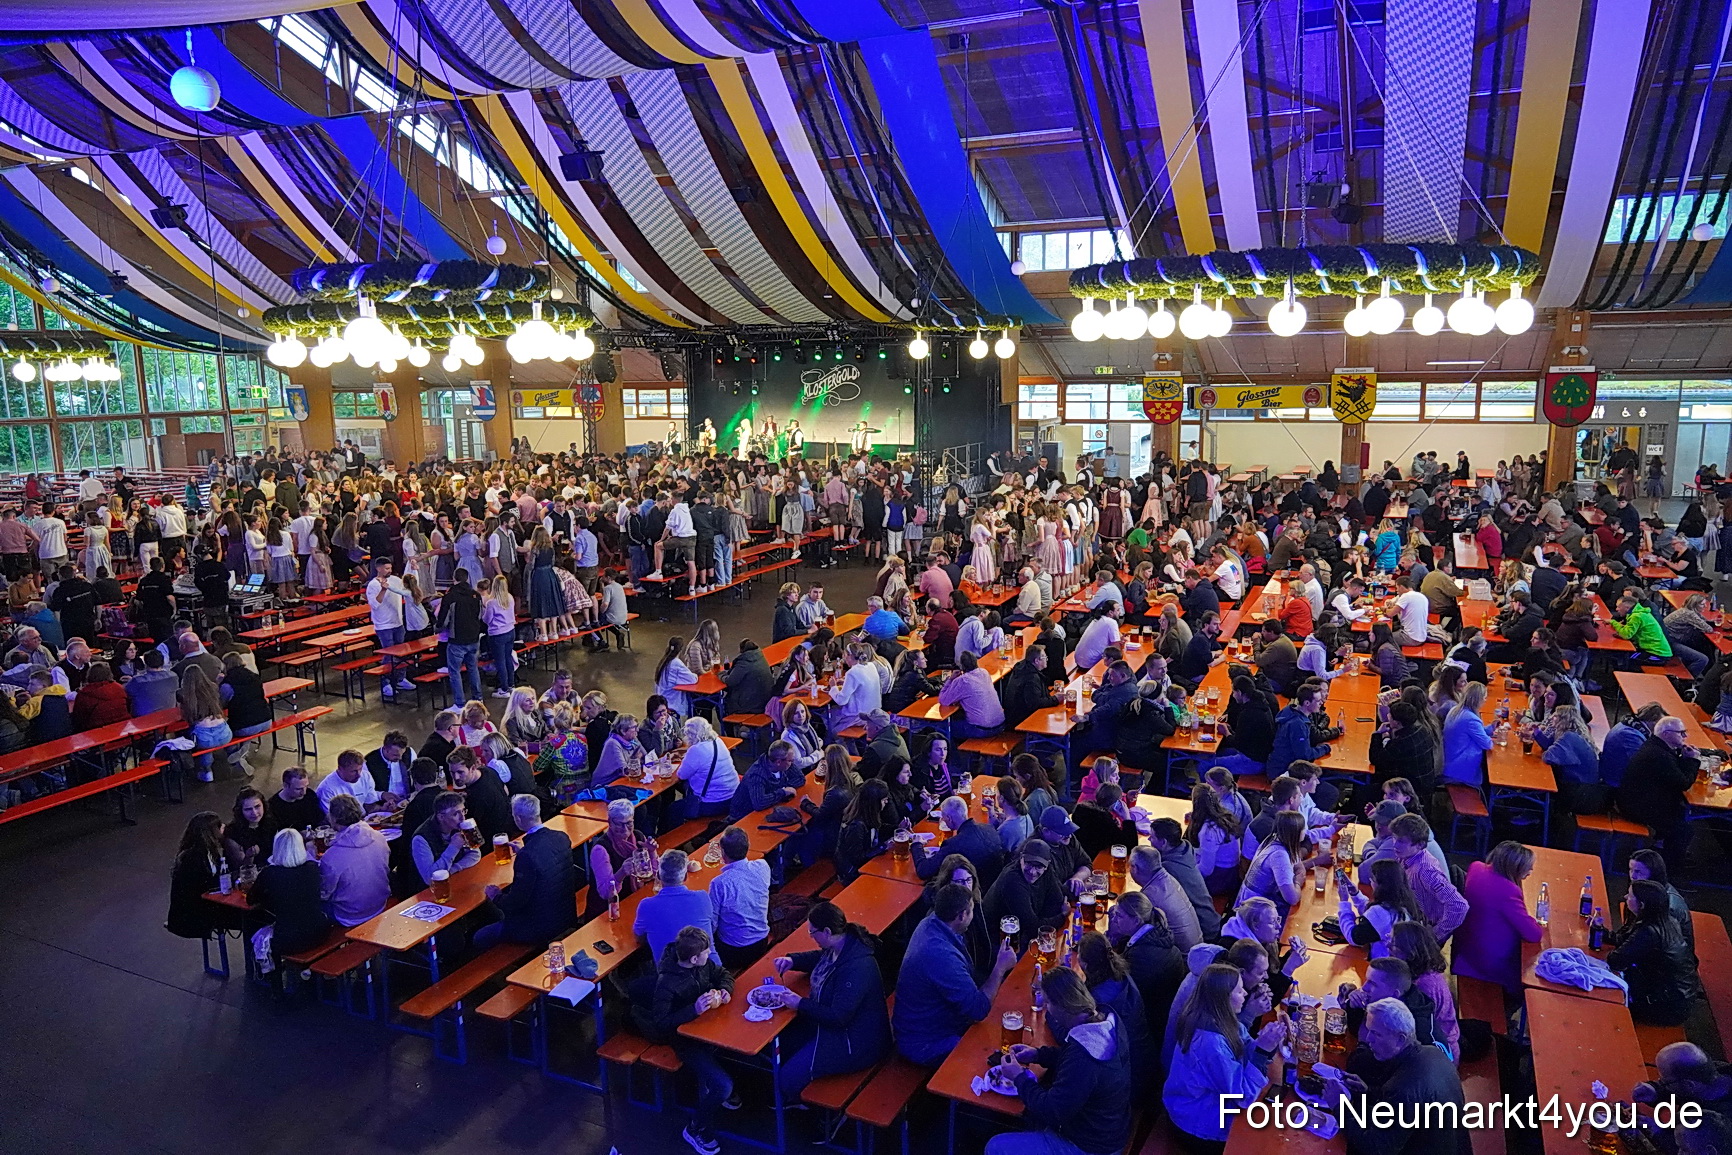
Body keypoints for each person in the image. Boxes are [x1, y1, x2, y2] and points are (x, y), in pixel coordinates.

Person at [987, 968, 1133, 1155]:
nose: (1046, 1008)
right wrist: (1037, 1055)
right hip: (1111, 1128)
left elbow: (1052, 1111)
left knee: (995, 1147)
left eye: (1048, 1003)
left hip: (1091, 1146)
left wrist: (1019, 1078)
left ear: (1063, 1006)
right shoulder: (1105, 1020)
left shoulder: (1084, 1057)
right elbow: (1072, 1059)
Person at [766, 902, 891, 1098]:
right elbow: (821, 958)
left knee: (787, 1079)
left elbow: (839, 1017)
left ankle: (806, 1107)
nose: (811, 937)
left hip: (856, 1043)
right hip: (834, 1029)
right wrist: (793, 961)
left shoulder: (856, 968)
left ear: (826, 931)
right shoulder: (843, 945)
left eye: (812, 932)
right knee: (784, 1042)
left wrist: (800, 1003)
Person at [1317, 998, 1468, 1155]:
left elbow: (1376, 1148)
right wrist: (1367, 1092)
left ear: (1400, 1039)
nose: (1368, 1040)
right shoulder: (1433, 1053)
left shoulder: (1404, 1088)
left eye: (1376, 1034)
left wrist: (1339, 1106)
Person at [1162, 963, 1288, 1149]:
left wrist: (1267, 1042)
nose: (1245, 993)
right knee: (1270, 1140)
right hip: (1197, 1125)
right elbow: (1243, 1096)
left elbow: (1243, 1052)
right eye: (1239, 991)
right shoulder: (1209, 1042)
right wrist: (1262, 1050)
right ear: (1223, 998)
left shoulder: (1220, 1019)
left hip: (1206, 1107)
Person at [892, 882, 1018, 1064]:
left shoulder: (930, 923)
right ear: (961, 916)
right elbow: (978, 1010)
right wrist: (1000, 968)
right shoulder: (940, 956)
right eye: (972, 910)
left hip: (930, 1024)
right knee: (991, 1051)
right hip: (925, 1042)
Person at [639, 926, 736, 1155]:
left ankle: (714, 1096)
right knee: (723, 1086)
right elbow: (661, 1022)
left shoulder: (703, 965)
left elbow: (723, 974)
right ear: (694, 958)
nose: (710, 953)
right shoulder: (667, 983)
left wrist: (725, 989)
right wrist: (693, 1010)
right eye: (706, 951)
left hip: (709, 1031)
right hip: (685, 1043)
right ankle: (695, 1128)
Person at [474, 794, 578, 949]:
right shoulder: (561, 837)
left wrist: (496, 896)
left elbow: (516, 901)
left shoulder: (527, 856)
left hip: (541, 927)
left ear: (518, 818)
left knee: (480, 937)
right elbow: (545, 858)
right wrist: (525, 851)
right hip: (567, 914)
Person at [1620, 715, 1701, 873]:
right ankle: (1669, 870)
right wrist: (1693, 761)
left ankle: (1663, 849)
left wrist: (1685, 759)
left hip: (1636, 800)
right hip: (1637, 807)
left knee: (1679, 813)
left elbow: (1674, 774)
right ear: (1666, 734)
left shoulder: (1656, 747)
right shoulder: (1658, 755)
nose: (1685, 736)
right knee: (1683, 829)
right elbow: (1683, 783)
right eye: (1681, 732)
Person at [1610, 878, 1695, 1026]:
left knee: (1611, 1003)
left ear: (1642, 905)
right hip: (1681, 996)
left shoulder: (1649, 932)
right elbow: (1625, 942)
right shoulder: (1666, 920)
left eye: (1630, 896)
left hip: (1666, 1007)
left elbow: (1615, 960)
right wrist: (1604, 933)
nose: (1625, 897)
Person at [249, 829, 332, 958]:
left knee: (254, 927)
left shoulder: (270, 873)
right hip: (320, 933)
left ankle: (259, 969)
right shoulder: (313, 868)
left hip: (289, 941)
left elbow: (251, 899)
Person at [164, 811, 240, 940]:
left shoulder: (209, 852)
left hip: (204, 906)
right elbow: (207, 886)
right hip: (193, 916)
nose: (223, 826)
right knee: (247, 918)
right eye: (219, 825)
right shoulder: (192, 858)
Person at [318, 794, 391, 927]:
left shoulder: (331, 857)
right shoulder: (379, 838)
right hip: (380, 903)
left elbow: (323, 893)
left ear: (334, 818)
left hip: (349, 916)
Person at [633, 850, 717, 966]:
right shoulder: (702, 897)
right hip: (713, 969)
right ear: (685, 876)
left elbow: (639, 937)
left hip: (672, 975)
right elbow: (712, 927)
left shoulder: (646, 905)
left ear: (658, 875)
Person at [982, 838, 1066, 948]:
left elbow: (1057, 900)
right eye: (1028, 863)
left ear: (1047, 865)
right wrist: (1063, 916)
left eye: (1039, 866)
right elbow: (1032, 927)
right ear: (1021, 858)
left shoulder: (1047, 871)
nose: (1032, 872)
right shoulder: (1012, 881)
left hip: (1025, 934)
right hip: (999, 942)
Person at [706, 826, 771, 969]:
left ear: (723, 852)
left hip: (733, 950)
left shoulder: (719, 883)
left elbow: (712, 924)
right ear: (748, 846)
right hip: (761, 942)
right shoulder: (763, 866)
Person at [913, 795, 1006, 885]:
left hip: (975, 890)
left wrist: (917, 845)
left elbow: (923, 871)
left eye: (943, 817)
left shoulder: (953, 845)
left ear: (949, 818)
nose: (943, 820)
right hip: (997, 884)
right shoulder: (989, 828)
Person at [1129, 845, 1203, 950]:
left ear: (1134, 868)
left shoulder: (1150, 895)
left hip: (1184, 957)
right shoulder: (1167, 878)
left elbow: (1134, 930)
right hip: (1198, 947)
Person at [409, 790, 480, 885]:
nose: (462, 818)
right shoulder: (420, 839)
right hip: (429, 890)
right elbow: (430, 878)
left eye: (463, 811)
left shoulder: (459, 826)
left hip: (455, 879)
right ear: (441, 817)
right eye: (456, 814)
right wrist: (454, 847)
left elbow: (475, 854)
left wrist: (452, 870)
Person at [676, 716, 739, 820]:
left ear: (691, 735)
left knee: (672, 810)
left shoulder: (696, 750)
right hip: (733, 796)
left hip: (713, 803)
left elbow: (681, 775)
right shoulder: (718, 741)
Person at [267, 766, 323, 834]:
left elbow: (318, 819)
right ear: (285, 785)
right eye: (298, 789)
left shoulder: (310, 795)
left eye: (306, 786)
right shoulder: (273, 806)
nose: (304, 792)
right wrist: (300, 834)